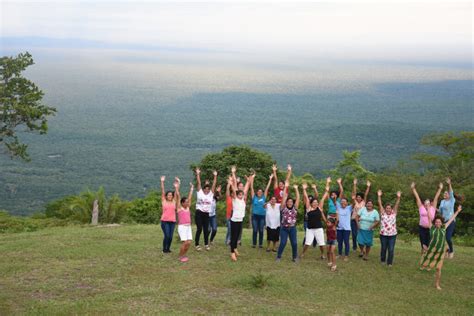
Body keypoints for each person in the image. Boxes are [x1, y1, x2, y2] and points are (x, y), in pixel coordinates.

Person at [420, 205, 462, 290]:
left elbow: (450, 220)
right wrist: (428, 209)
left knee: (438, 268)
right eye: (436, 222)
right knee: (424, 264)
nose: (438, 223)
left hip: (440, 251)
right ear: (434, 223)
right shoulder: (431, 228)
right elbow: (428, 217)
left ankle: (437, 284)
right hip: (432, 250)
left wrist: (457, 211)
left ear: (441, 222)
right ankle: (425, 251)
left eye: (439, 222)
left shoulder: (444, 228)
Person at [411, 182, 443, 254]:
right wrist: (413, 188)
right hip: (422, 227)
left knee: (428, 243)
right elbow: (417, 197)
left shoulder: (433, 208)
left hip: (430, 228)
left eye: (428, 202)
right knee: (423, 243)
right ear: (424, 203)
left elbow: (436, 197)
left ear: (430, 203)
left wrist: (440, 188)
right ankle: (423, 251)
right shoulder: (421, 207)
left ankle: (426, 252)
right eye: (426, 202)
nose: (427, 204)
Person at [227, 169, 252, 261]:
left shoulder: (243, 199)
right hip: (234, 221)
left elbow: (247, 186)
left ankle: (235, 248)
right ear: (236, 195)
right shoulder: (235, 199)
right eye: (239, 194)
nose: (241, 195)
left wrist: (248, 180)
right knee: (233, 237)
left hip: (240, 220)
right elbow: (234, 188)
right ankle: (232, 252)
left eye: (242, 194)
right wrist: (233, 174)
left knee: (237, 236)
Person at [300, 183, 328, 259]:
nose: (315, 203)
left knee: (321, 243)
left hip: (319, 229)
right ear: (311, 203)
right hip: (310, 229)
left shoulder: (319, 208)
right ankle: (303, 253)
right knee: (307, 243)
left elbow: (322, 198)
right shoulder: (308, 208)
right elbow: (306, 197)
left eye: (316, 202)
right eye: (314, 202)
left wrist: (326, 191)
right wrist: (304, 189)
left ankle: (322, 254)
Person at [276, 181, 300, 262]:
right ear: (286, 202)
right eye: (288, 201)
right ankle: (278, 256)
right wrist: (285, 187)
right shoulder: (283, 208)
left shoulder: (295, 208)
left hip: (292, 228)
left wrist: (296, 189)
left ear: (293, 203)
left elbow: (298, 198)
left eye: (291, 201)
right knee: (283, 243)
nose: (290, 202)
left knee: (294, 243)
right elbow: (283, 199)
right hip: (284, 228)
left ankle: (294, 257)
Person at [194, 168, 217, 251]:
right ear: (203, 189)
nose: (207, 190)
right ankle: (197, 244)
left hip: (206, 214)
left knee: (206, 230)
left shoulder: (210, 195)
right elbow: (199, 183)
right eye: (205, 189)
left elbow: (214, 185)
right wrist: (198, 174)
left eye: (208, 189)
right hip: (199, 213)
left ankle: (206, 244)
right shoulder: (200, 193)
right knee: (199, 229)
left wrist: (215, 176)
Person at [377, 190, 401, 266]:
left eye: (389, 208)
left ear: (391, 209)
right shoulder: (383, 213)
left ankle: (389, 262)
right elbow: (379, 204)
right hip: (383, 234)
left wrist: (398, 197)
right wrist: (379, 196)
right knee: (383, 248)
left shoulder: (394, 213)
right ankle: (383, 260)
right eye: (387, 208)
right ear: (385, 209)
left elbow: (397, 205)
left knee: (391, 249)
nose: (388, 209)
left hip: (392, 235)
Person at [250, 173, 272, 248]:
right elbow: (251, 187)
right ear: (256, 192)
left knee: (261, 231)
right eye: (258, 191)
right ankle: (254, 243)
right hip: (255, 216)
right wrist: (252, 179)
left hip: (262, 216)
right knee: (255, 230)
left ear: (262, 193)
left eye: (261, 192)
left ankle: (260, 244)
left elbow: (267, 188)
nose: (259, 192)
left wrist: (270, 179)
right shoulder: (254, 197)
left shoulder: (264, 197)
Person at [160, 176, 180, 253]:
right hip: (164, 221)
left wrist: (177, 185)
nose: (170, 196)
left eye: (171, 195)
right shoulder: (163, 201)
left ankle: (168, 249)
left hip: (172, 221)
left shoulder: (174, 201)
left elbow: (176, 193)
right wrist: (162, 182)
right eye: (168, 195)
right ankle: (164, 249)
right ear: (166, 196)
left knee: (170, 237)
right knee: (167, 235)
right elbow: (162, 190)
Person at [351, 179, 371, 253]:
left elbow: (366, 195)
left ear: (361, 198)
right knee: (354, 234)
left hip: (361, 220)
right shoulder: (355, 202)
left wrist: (368, 187)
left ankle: (362, 248)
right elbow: (354, 193)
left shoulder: (363, 203)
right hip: (353, 220)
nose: (358, 198)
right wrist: (354, 184)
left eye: (359, 197)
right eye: (357, 197)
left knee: (361, 234)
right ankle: (354, 247)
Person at [438, 178, 456, 258]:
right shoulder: (442, 201)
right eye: (444, 193)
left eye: (446, 193)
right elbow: (440, 211)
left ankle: (451, 250)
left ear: (449, 195)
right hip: (443, 221)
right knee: (442, 238)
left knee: (448, 238)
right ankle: (446, 250)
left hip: (451, 221)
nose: (444, 194)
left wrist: (449, 184)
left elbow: (451, 191)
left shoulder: (452, 200)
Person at [176, 182, 194, 262]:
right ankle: (180, 256)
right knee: (185, 243)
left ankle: (184, 255)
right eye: (186, 202)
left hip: (188, 226)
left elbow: (190, 197)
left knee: (189, 242)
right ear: (182, 203)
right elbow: (178, 197)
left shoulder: (187, 208)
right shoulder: (179, 208)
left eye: (187, 202)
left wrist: (191, 189)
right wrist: (177, 188)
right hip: (182, 227)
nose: (187, 203)